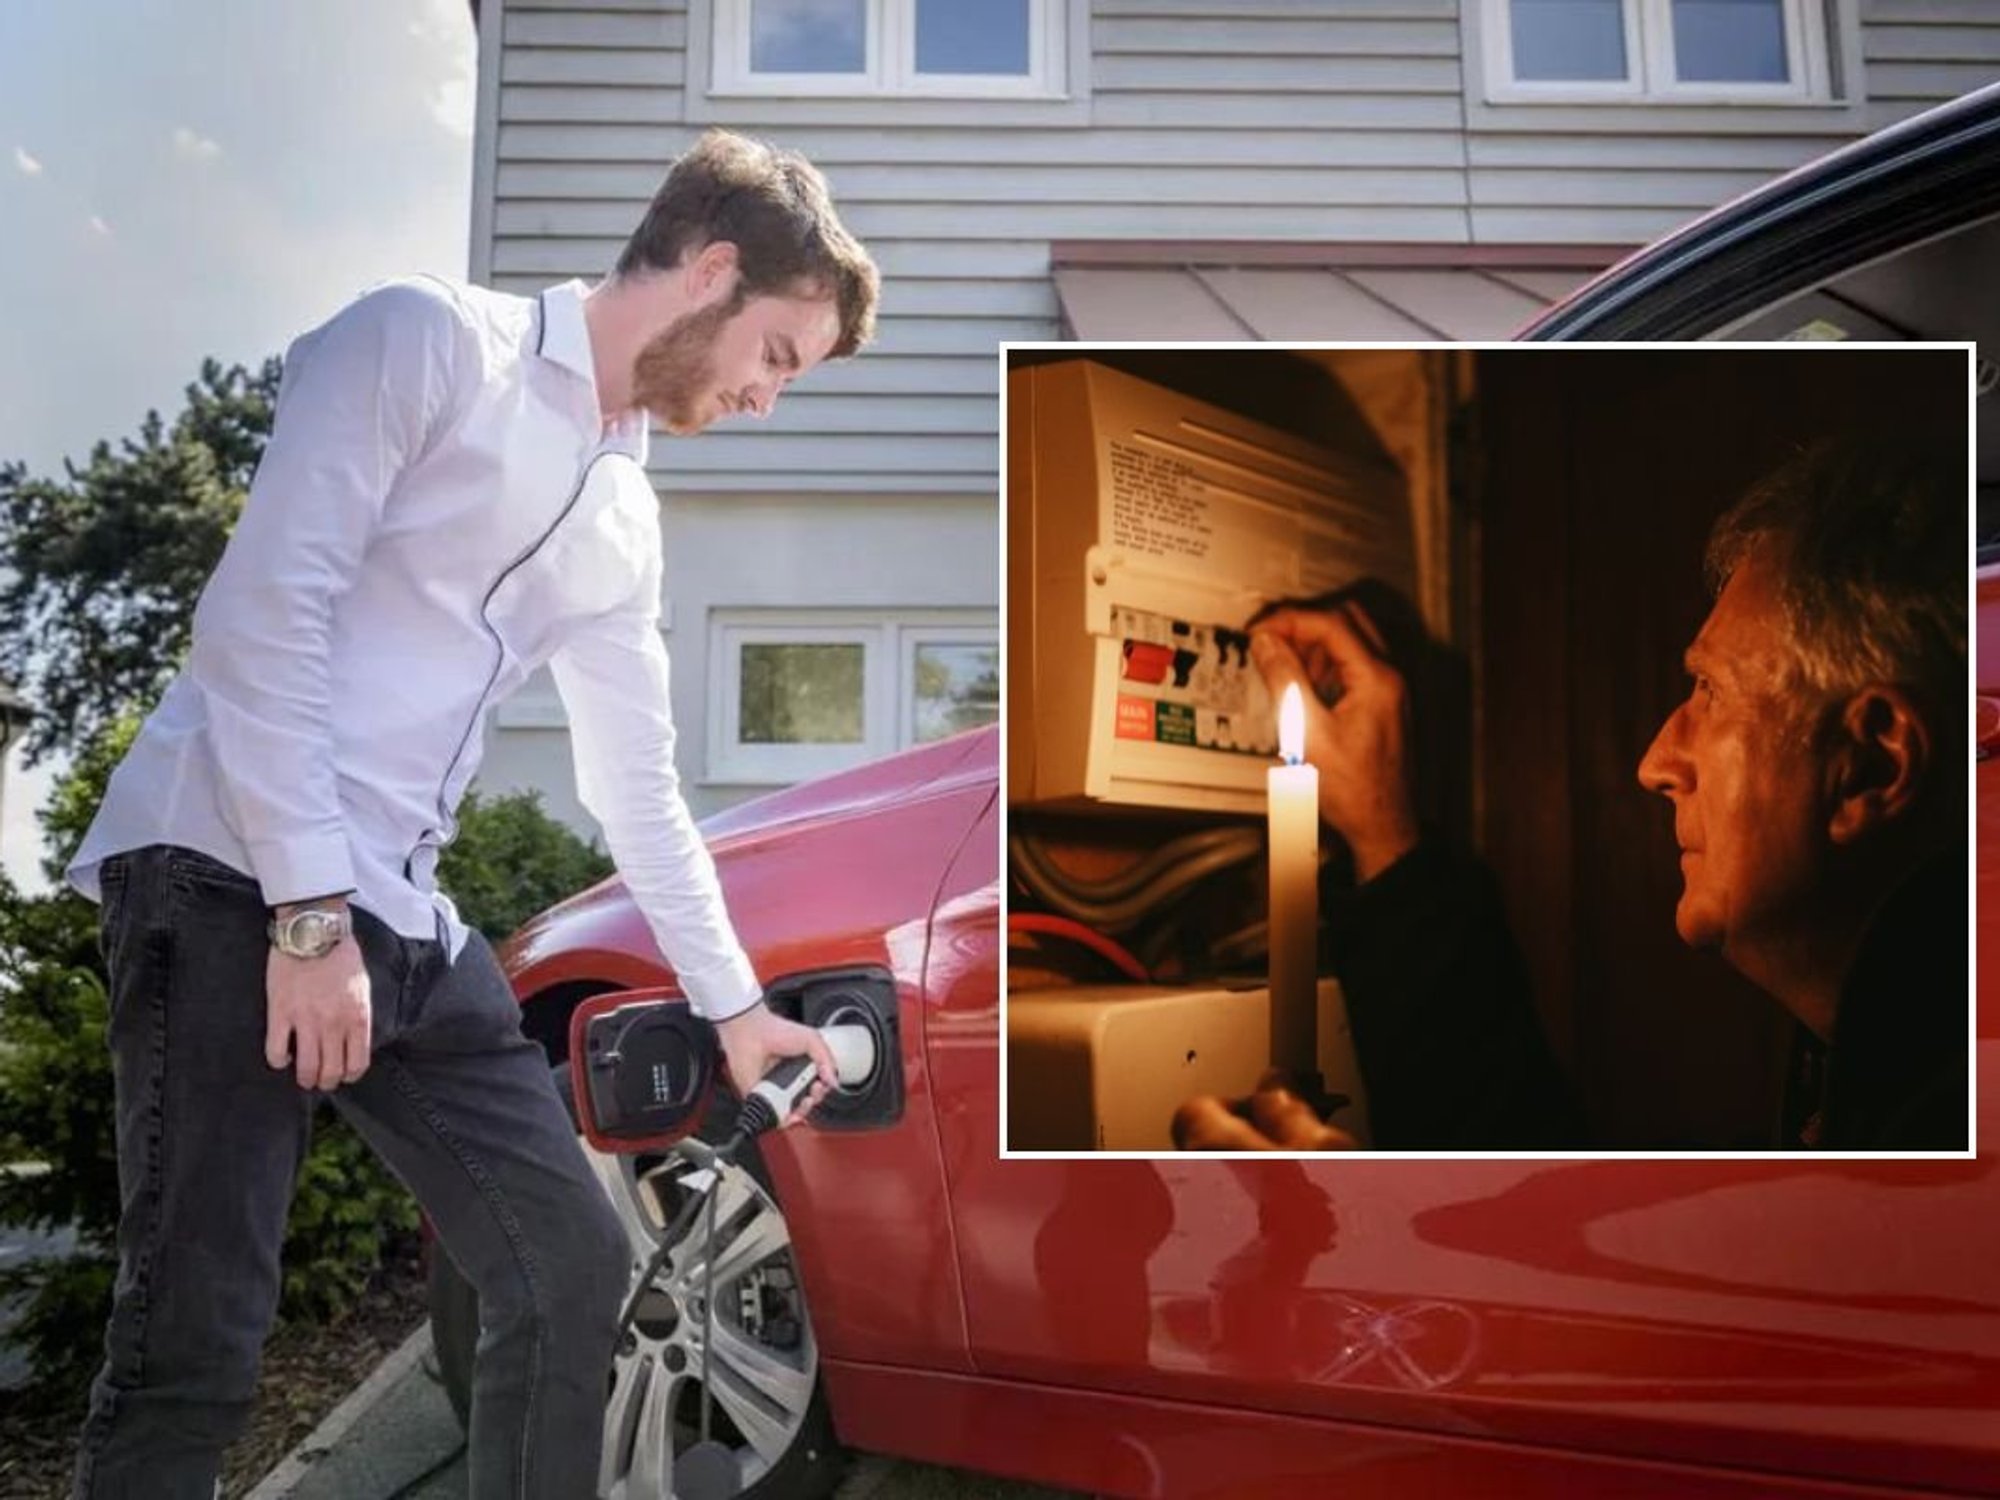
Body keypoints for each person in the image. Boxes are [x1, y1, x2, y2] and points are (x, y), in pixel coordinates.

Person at [62, 129, 878, 1498]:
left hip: (395, 910)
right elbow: (263, 616)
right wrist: (306, 914)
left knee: (569, 1261)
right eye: (778, 356)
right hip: (223, 861)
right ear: (714, 273)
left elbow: (637, 787)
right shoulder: (427, 341)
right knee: (195, 1332)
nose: (766, 397)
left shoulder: (623, 510)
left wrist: (736, 1009)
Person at [1176, 437, 1966, 1154]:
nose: (1656, 763)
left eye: (1708, 691)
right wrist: (1388, 840)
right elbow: (1528, 1168)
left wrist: (1360, 1234)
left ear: (1873, 763)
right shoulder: (1860, 1089)